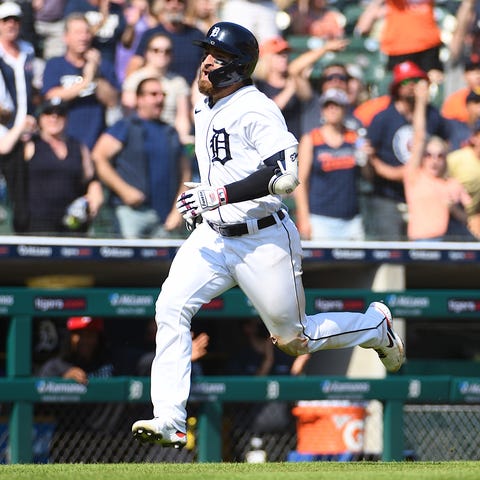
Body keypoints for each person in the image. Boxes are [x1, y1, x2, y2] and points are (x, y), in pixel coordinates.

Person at [131, 22, 405, 448]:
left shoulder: (256, 108)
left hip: (263, 239)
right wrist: (206, 201)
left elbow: (285, 174)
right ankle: (170, 417)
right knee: (170, 307)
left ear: (237, 67)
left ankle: (374, 327)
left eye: (217, 57)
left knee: (295, 340)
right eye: (206, 52)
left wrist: (215, 194)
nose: (206, 61)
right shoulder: (203, 100)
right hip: (214, 236)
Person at [92, 77, 190, 238]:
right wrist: (124, 190)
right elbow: (99, 156)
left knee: (164, 263)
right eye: (153, 94)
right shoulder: (125, 126)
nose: (160, 99)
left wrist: (178, 210)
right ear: (139, 99)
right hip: (131, 213)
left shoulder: (171, 132)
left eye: (162, 95)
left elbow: (185, 174)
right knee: (127, 262)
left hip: (166, 217)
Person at [366, 60, 450, 240]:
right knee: (392, 254)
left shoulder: (433, 115)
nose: (411, 85)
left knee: (426, 253)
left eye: (416, 80)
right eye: (405, 81)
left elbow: (443, 144)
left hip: (423, 195)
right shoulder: (383, 118)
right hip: (388, 195)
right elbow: (370, 155)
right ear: (396, 87)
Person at [0, 98, 103, 234]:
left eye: (60, 113)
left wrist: (95, 193)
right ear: (41, 117)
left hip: (71, 225)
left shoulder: (77, 146)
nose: (54, 117)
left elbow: (90, 179)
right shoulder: (31, 144)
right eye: (48, 113)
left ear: (67, 118)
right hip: (34, 226)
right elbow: (3, 149)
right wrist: (21, 127)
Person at [402, 79, 473, 241]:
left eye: (440, 156)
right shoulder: (414, 177)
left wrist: (454, 209)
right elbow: (419, 137)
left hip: (448, 243)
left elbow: (471, 219)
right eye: (429, 155)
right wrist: (421, 101)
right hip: (421, 243)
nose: (434, 160)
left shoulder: (453, 183)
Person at [295, 88, 367, 241]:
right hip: (320, 218)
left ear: (345, 109)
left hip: (351, 218)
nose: (332, 109)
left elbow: (367, 175)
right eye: (328, 105)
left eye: (337, 105)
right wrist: (304, 218)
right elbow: (301, 181)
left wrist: (368, 157)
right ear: (322, 110)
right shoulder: (311, 139)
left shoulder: (354, 137)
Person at [41, 12, 120, 150]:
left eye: (87, 32)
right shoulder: (55, 64)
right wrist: (86, 81)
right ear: (66, 37)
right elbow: (51, 95)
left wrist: (95, 74)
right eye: (78, 33)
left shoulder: (103, 66)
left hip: (96, 141)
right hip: (64, 142)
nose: (83, 37)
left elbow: (113, 100)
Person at [121, 32, 193, 145]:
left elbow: (182, 118)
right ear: (147, 53)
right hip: (141, 136)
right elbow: (128, 114)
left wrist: (180, 140)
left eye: (167, 51)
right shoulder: (134, 80)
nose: (162, 54)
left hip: (170, 137)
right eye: (156, 50)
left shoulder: (179, 82)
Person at [126, 0, 204, 87]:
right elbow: (135, 64)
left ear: (186, 5)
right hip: (158, 94)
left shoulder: (197, 36)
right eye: (169, 1)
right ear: (163, 4)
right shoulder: (151, 34)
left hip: (191, 93)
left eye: (180, 1)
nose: (174, 5)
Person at [37, 316, 113, 384]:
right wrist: (64, 382)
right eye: (80, 334)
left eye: (90, 334)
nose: (85, 340)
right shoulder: (54, 367)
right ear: (69, 337)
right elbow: (39, 393)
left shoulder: (111, 362)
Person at [0, 1, 37, 127]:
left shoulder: (28, 50)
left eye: (15, 20)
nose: (11, 25)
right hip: (3, 125)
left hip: (27, 123)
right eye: (6, 20)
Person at [63, 0, 127, 66]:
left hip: (108, 63)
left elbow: (124, 40)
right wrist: (102, 19)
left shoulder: (116, 9)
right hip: (83, 61)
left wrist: (130, 25)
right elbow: (79, 36)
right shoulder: (77, 5)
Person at [447, 121, 480, 240]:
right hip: (452, 217)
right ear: (474, 137)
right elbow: (438, 181)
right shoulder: (458, 158)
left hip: (474, 219)